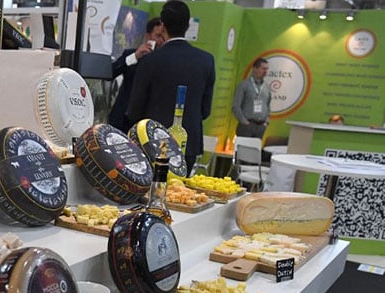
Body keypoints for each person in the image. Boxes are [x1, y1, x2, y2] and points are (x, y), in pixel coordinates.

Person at [125, 1, 215, 175]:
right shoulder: (206, 60)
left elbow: (135, 109)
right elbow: (205, 110)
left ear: (163, 26)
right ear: (188, 25)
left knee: (150, 195)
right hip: (187, 144)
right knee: (180, 197)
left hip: (152, 143)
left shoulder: (150, 61)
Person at [108, 17, 165, 133]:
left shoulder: (166, 62)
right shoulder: (131, 54)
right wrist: (134, 57)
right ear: (148, 36)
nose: (161, 41)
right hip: (122, 119)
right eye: (158, 36)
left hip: (148, 124)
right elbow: (110, 73)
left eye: (163, 37)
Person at [232, 57, 271, 139]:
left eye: (267, 69)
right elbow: (236, 106)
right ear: (255, 69)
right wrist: (244, 121)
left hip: (261, 126)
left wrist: (266, 122)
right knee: (243, 151)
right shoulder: (244, 85)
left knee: (255, 151)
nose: (265, 72)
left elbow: (268, 105)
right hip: (246, 126)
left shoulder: (267, 87)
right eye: (263, 69)